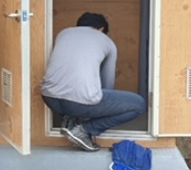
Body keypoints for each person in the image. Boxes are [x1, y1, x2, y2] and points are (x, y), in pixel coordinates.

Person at [40, 12, 146, 152]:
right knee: (138, 104)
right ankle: (84, 130)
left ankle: (69, 121)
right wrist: (97, 110)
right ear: (101, 29)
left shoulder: (63, 33)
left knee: (74, 89)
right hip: (77, 103)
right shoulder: (107, 42)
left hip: (49, 99)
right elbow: (108, 82)